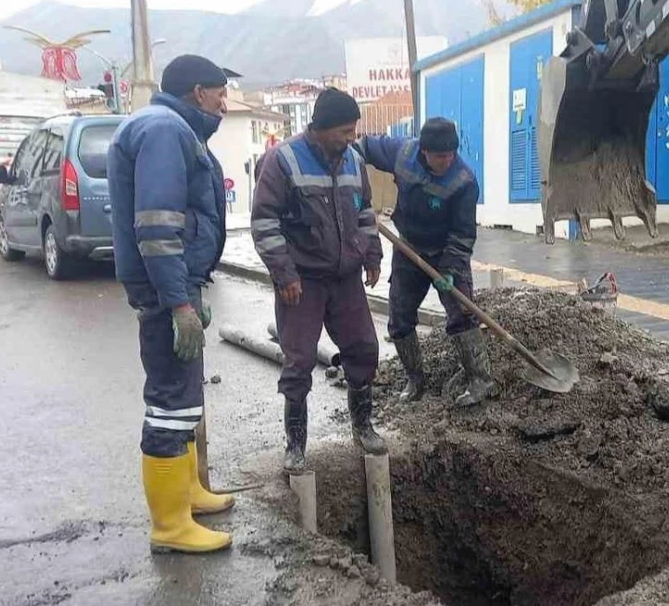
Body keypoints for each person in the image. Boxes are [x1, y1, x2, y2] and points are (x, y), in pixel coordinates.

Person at [108, 55, 234, 554]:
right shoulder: (164, 130)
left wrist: (191, 288)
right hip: (166, 291)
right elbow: (158, 228)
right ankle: (169, 524)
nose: (225, 103)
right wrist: (179, 301)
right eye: (220, 93)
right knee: (169, 403)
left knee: (185, 396)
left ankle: (187, 494)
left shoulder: (171, 127)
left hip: (177, 285)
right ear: (198, 91)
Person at [250, 88, 385, 472]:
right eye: (344, 131)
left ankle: (363, 425)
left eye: (354, 130)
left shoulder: (353, 162)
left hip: (345, 279)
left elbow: (364, 213)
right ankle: (295, 443)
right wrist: (284, 273)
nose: (351, 138)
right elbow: (264, 222)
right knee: (300, 360)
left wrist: (372, 255)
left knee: (363, 349)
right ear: (321, 127)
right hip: (302, 282)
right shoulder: (283, 161)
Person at [355, 117, 495, 408]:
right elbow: (364, 147)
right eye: (440, 156)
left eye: (451, 155)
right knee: (400, 314)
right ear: (425, 151)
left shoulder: (463, 181)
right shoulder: (403, 153)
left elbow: (463, 233)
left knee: (461, 313)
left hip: (446, 250)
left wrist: (451, 270)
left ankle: (480, 378)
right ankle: (415, 379)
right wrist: (349, 173)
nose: (447, 161)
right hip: (408, 247)